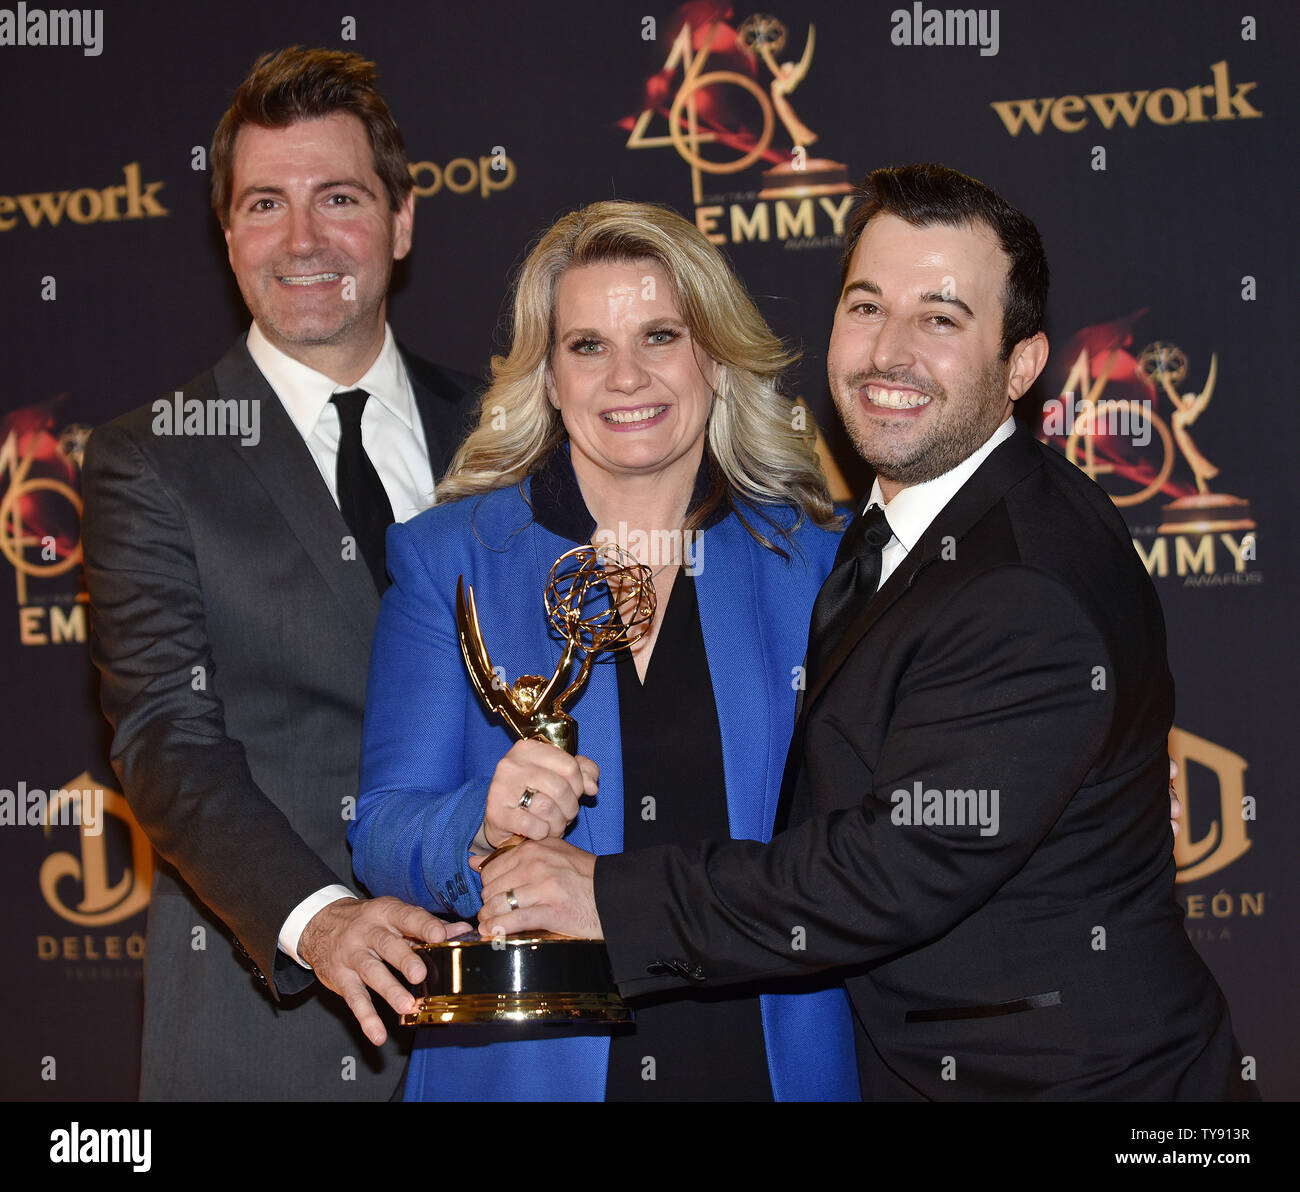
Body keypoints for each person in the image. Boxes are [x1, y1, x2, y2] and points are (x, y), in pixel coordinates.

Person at [477, 165, 1251, 1100]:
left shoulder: (1025, 584)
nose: (889, 352)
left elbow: (891, 868)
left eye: (941, 318)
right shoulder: (893, 527)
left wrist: (608, 897)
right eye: (867, 305)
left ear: (1022, 365)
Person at [349, 199, 860, 1101]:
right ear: (547, 377)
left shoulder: (818, 559)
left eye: (660, 335)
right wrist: (481, 820)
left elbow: (878, 836)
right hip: (532, 1069)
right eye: (587, 346)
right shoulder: (451, 559)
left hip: (765, 1060)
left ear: (712, 355)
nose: (626, 376)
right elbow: (384, 830)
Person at [81, 47, 477, 1101]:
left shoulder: (505, 431)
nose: (301, 240)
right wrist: (322, 917)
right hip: (275, 1036)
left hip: (511, 1028)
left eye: (337, 198)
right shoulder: (152, 457)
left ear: (399, 221)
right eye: (265, 203)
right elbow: (165, 735)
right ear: (228, 236)